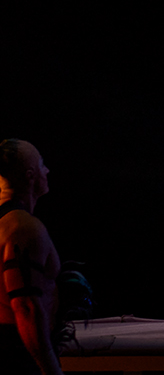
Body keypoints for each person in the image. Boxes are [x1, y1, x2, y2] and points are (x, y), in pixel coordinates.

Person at [0, 141, 61, 375]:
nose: (48, 171)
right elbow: (25, 306)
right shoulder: (25, 228)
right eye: (43, 165)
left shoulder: (7, 225)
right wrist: (51, 370)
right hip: (20, 356)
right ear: (30, 176)